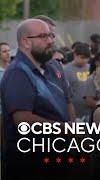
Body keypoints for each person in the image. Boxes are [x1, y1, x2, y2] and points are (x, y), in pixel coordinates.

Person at [0, 19, 71, 180]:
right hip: (30, 165)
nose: (51, 41)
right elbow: (23, 119)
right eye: (44, 36)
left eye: (51, 35)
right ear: (26, 42)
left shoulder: (46, 69)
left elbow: (66, 104)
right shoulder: (18, 72)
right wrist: (67, 130)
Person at [64, 43, 90, 121]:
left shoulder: (91, 68)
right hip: (73, 113)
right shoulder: (66, 70)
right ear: (75, 55)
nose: (85, 60)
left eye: (87, 58)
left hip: (89, 112)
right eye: (82, 58)